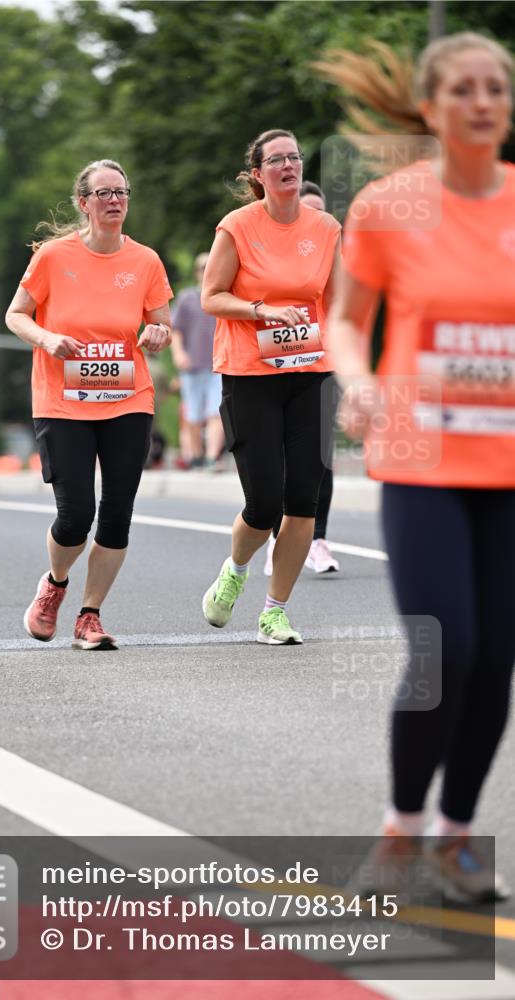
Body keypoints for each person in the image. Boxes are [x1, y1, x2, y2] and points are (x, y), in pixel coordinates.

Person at [326, 32, 515, 900]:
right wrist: (358, 382)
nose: (482, 102)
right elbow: (344, 317)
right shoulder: (387, 206)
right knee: (447, 647)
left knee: (497, 657)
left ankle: (455, 838)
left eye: (496, 88)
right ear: (433, 110)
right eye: (464, 90)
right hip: (421, 457)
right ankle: (400, 829)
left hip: (507, 465)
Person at [5, 159, 172, 651]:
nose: (115, 201)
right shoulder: (55, 257)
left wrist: (158, 334)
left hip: (128, 397)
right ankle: (55, 584)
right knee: (76, 514)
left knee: (117, 512)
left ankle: (90, 616)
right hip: (62, 400)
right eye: (103, 194)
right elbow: (16, 315)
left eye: (121, 192)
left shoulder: (145, 261)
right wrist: (46, 338)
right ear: (84, 203)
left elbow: (159, 325)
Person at [200, 129, 341, 645]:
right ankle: (236, 569)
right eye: (276, 159)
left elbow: (340, 302)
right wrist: (260, 311)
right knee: (264, 506)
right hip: (250, 375)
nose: (289, 165)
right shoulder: (238, 226)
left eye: (295, 157)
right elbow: (211, 296)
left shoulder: (325, 228)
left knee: (303, 500)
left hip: (310, 374)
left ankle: (274, 612)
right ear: (257, 175)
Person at [264, 181, 340, 576]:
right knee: (275, 459)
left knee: (319, 459)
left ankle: (318, 538)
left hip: (320, 364)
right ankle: (278, 534)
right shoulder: (269, 248)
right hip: (270, 367)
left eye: (319, 211)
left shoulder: (331, 244)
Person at [170, 252, 224, 469]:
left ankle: (211, 457)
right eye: (203, 267)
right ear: (197, 272)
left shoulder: (224, 296)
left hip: (218, 364)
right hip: (192, 365)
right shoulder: (187, 298)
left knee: (215, 411)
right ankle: (196, 456)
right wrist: (178, 354)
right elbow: (176, 330)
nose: (206, 271)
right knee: (193, 413)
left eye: (210, 266)